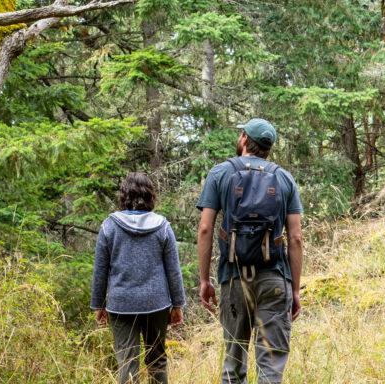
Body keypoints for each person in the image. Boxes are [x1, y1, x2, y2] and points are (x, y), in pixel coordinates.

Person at [196, 119, 304, 384]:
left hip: (233, 277)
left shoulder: (220, 173)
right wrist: (295, 288)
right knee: (271, 365)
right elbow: (296, 238)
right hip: (274, 279)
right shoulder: (284, 178)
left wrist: (204, 279)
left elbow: (206, 229)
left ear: (244, 139)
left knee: (234, 362)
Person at [90, 170, 185, 384]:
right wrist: (177, 305)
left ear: (124, 196)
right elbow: (173, 270)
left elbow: (100, 271)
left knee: (127, 362)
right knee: (157, 361)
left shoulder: (109, 227)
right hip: (156, 303)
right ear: (150, 196)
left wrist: (98, 305)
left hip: (121, 304)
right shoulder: (163, 227)